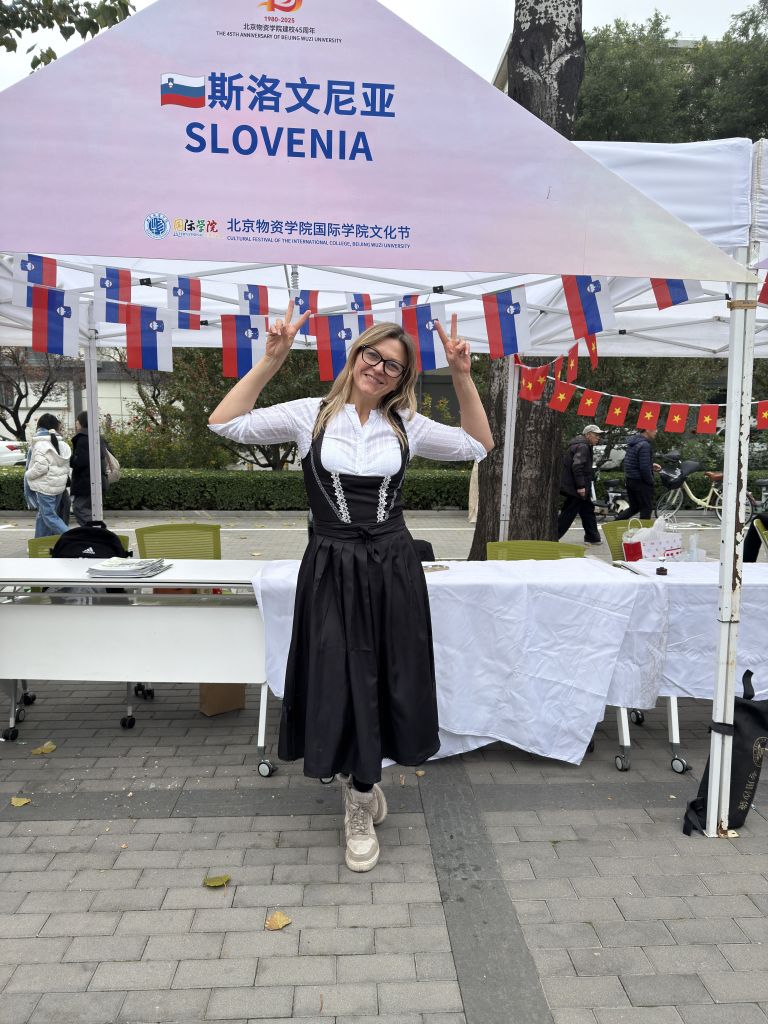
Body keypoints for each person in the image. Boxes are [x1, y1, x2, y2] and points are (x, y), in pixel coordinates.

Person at [209, 303, 492, 873]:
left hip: (391, 565)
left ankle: (362, 794)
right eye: (373, 355)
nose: (380, 368)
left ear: (403, 379)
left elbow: (478, 445)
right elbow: (225, 423)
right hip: (331, 565)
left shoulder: (406, 425)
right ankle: (355, 785)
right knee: (339, 674)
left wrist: (462, 377)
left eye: (394, 365)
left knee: (386, 672)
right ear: (355, 355)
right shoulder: (309, 415)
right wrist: (272, 360)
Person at [24, 414, 72, 538]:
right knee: (44, 515)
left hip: (45, 487)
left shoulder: (40, 444)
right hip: (58, 487)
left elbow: (41, 467)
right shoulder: (62, 444)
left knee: (49, 516)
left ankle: (73, 537)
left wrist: (28, 474)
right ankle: (40, 541)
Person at [557, 424, 603, 545]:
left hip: (576, 486)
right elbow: (577, 466)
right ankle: (552, 536)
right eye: (596, 435)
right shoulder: (583, 446)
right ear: (588, 435)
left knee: (587, 510)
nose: (598, 437)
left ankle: (592, 537)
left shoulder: (581, 444)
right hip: (576, 487)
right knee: (568, 513)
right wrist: (581, 486)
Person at [70, 411, 109, 526]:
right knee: (91, 511)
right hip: (97, 480)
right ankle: (94, 535)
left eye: (77, 420)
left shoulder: (83, 439)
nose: (76, 423)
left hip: (86, 482)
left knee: (79, 508)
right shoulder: (97, 437)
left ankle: (98, 534)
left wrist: (71, 460)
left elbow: (80, 462)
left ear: (81, 422)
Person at [615, 427, 661, 520]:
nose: (656, 431)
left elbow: (634, 462)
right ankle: (643, 533)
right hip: (640, 482)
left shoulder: (633, 443)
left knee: (634, 507)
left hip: (630, 480)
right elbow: (644, 468)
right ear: (647, 429)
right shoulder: (645, 445)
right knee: (646, 509)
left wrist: (650, 465)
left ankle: (616, 522)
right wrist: (650, 481)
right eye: (655, 429)